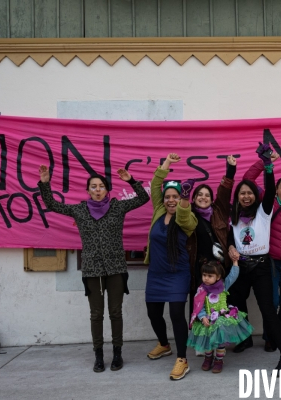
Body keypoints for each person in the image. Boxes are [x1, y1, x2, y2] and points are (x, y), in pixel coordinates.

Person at [37, 165, 149, 373]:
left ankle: (117, 353)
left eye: (101, 186)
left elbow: (143, 198)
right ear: (87, 190)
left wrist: (131, 180)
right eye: (93, 186)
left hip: (115, 267)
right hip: (92, 270)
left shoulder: (118, 207)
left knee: (115, 312)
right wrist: (45, 183)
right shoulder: (79, 210)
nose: (97, 189)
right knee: (96, 314)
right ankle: (98, 355)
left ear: (107, 190)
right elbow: (51, 204)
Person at [227, 142, 281, 371]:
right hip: (240, 267)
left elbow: (268, 185)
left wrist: (268, 166)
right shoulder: (234, 215)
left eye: (249, 193)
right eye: (242, 193)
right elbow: (230, 237)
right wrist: (229, 248)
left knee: (268, 309)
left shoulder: (263, 211)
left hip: (261, 268)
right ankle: (245, 337)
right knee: (234, 304)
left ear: (256, 196)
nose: (246, 196)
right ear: (237, 197)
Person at [144, 153, 198, 381]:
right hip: (156, 273)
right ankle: (164, 344)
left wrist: (185, 197)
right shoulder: (158, 211)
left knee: (177, 314)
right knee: (153, 313)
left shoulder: (188, 218)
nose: (171, 200)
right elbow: (156, 184)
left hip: (178, 274)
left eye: (176, 196)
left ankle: (182, 359)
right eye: (168, 197)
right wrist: (166, 163)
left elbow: (184, 214)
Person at [243, 154, 281, 352]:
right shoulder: (267, 203)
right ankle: (270, 337)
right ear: (276, 189)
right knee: (273, 302)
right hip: (272, 261)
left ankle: (279, 335)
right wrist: (263, 163)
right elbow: (247, 181)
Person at [189, 155, 236, 357]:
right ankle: (201, 344)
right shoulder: (189, 215)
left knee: (217, 306)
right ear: (194, 198)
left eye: (207, 195)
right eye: (199, 194)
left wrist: (230, 171)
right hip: (198, 269)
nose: (203, 197)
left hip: (218, 269)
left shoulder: (218, 210)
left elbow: (225, 193)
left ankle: (218, 342)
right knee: (199, 306)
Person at [187, 259, 253, 373]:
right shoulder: (201, 290)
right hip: (207, 319)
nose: (206, 278)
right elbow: (199, 306)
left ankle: (219, 360)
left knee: (220, 342)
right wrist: (203, 317)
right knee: (208, 340)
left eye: (210, 275)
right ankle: (208, 358)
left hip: (221, 319)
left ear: (217, 277)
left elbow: (233, 276)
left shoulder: (223, 285)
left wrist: (235, 263)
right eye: (204, 275)